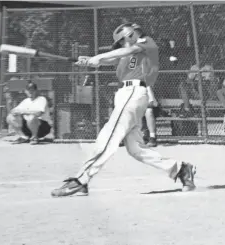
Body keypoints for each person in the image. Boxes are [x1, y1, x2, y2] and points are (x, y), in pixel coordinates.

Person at [51, 23, 196, 197]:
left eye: (122, 41)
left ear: (128, 36)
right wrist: (91, 60)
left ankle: (81, 180)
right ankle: (181, 169)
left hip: (133, 92)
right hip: (126, 95)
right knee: (136, 149)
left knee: (109, 135)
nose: (122, 45)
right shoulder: (129, 56)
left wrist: (98, 57)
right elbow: (114, 58)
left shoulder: (145, 42)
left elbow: (124, 52)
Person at [131, 23, 159, 147]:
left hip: (147, 83)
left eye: (136, 31)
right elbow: (130, 66)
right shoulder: (132, 51)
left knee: (149, 110)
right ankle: (141, 134)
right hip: (134, 84)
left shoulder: (147, 42)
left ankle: (152, 137)